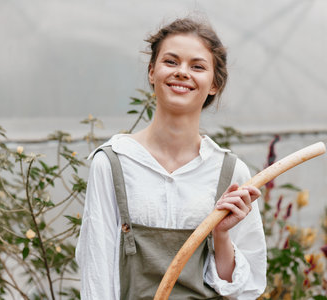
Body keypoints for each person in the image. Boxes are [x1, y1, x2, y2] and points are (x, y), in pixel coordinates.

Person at [75, 17, 267, 300]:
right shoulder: (113, 163)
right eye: (171, 62)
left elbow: (243, 289)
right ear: (152, 72)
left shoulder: (229, 172)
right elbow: (97, 275)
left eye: (197, 66)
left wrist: (221, 236)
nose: (182, 73)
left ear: (214, 84)